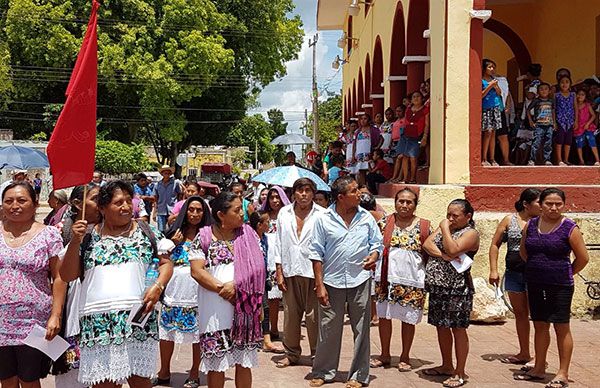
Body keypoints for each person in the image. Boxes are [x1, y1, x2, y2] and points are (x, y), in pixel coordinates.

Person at [60, 180, 174, 387]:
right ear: (103, 208)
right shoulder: (87, 237)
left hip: (137, 320)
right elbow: (67, 275)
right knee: (104, 383)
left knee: (140, 380)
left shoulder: (145, 231)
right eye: (118, 202)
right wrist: (74, 242)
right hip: (97, 323)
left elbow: (166, 264)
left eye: (129, 201)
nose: (126, 207)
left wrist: (158, 286)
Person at [308, 176, 383, 388]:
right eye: (354, 191)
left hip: (360, 280)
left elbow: (376, 244)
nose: (359, 193)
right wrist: (319, 284)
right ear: (341, 197)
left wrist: (374, 256)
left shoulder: (366, 218)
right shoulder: (323, 219)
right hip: (331, 282)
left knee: (362, 329)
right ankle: (323, 371)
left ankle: (359, 375)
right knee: (329, 328)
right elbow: (316, 253)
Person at [190, 192, 265, 388]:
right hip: (214, 311)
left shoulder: (249, 235)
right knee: (216, 365)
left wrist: (238, 287)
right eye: (237, 210)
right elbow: (197, 271)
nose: (243, 213)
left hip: (244, 311)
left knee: (243, 363)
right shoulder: (204, 236)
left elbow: (258, 268)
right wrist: (224, 289)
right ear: (221, 214)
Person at [515, 188, 589, 388]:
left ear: (563, 205)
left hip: (561, 285)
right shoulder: (530, 225)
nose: (553, 208)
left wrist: (565, 272)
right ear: (541, 204)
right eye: (549, 203)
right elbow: (524, 251)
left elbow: (583, 258)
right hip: (535, 282)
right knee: (539, 324)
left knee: (561, 327)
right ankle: (539, 368)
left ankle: (563, 373)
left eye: (558, 204)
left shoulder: (569, 228)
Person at [0, 182, 66, 388]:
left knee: (29, 379)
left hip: (33, 321)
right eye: (8, 201)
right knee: (6, 379)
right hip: (1, 321)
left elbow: (59, 277)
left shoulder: (49, 235)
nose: (14, 205)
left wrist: (56, 314)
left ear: (35, 204)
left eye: (22, 200)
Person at [371, 188, 431, 372]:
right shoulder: (383, 222)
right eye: (401, 201)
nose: (404, 205)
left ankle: (405, 356)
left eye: (409, 202)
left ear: (415, 205)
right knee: (384, 317)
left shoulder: (424, 226)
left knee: (408, 319)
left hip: (412, 280)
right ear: (395, 202)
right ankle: (385, 354)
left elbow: (430, 250)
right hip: (385, 279)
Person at [422, 199, 480, 388]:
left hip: (457, 288)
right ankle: (446, 365)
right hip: (439, 286)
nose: (450, 219)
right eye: (448, 214)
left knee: (458, 328)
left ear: (468, 216)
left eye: (455, 216)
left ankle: (460, 371)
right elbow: (427, 244)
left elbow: (453, 248)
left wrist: (444, 229)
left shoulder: (470, 233)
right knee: (441, 326)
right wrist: (443, 256)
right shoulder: (447, 227)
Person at [156, 197, 213, 388]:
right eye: (191, 210)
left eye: (199, 210)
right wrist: (172, 242)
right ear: (185, 212)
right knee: (167, 335)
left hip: (197, 294)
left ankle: (195, 372)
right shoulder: (174, 233)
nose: (195, 214)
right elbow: (161, 259)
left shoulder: (208, 236)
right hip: (173, 293)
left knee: (197, 336)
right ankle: (164, 371)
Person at [51, 184, 101, 388]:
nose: (101, 203)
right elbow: (61, 277)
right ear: (77, 204)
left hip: (102, 312)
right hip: (75, 307)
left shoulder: (116, 230)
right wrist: (56, 313)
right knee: (72, 375)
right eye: (96, 198)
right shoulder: (64, 230)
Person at [272, 178, 325, 368]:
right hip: (290, 268)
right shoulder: (284, 213)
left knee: (314, 316)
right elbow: (278, 243)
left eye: (307, 190)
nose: (303, 194)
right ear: (293, 193)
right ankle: (291, 353)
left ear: (313, 193)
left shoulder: (323, 215)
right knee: (290, 315)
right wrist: (279, 271)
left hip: (313, 271)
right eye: (300, 190)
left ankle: (317, 355)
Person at [488, 188, 541, 366]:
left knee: (539, 315)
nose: (542, 206)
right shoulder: (509, 220)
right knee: (520, 314)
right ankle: (524, 352)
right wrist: (494, 270)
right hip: (514, 272)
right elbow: (495, 244)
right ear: (526, 204)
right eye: (538, 202)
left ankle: (541, 357)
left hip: (536, 274)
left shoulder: (543, 221)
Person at [249, 211, 285, 354]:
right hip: (251, 279)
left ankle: (266, 340)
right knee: (255, 309)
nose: (269, 224)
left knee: (265, 308)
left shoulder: (264, 238)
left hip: (262, 278)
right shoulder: (249, 239)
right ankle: (256, 338)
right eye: (267, 222)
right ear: (259, 225)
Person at [260, 186, 291, 340]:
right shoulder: (264, 216)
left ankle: (276, 328)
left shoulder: (288, 216)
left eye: (277, 197)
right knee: (267, 298)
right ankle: (267, 328)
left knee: (279, 299)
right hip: (266, 259)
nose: (274, 200)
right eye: (271, 197)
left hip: (283, 259)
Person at [399, 91, 429, 183]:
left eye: (418, 96)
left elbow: (427, 124)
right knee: (404, 156)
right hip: (406, 135)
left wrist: (424, 137)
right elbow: (405, 122)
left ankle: (413, 178)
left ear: (422, 98)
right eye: (414, 97)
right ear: (411, 100)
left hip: (417, 135)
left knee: (413, 157)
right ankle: (405, 178)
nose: (416, 98)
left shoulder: (425, 109)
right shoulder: (408, 109)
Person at [481, 59, 503, 166]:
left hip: (495, 107)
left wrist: (495, 86)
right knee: (487, 132)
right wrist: (490, 86)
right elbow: (481, 95)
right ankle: (484, 158)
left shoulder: (494, 79)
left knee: (493, 133)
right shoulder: (481, 80)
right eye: (490, 67)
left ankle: (492, 158)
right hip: (486, 108)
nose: (492, 69)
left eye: (493, 67)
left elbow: (499, 93)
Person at [528, 83, 555, 166]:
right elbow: (528, 110)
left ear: (549, 91)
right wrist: (531, 121)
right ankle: (532, 159)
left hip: (549, 124)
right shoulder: (536, 101)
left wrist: (554, 123)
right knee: (536, 142)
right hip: (539, 125)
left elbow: (553, 111)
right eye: (541, 89)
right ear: (538, 92)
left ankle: (547, 159)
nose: (544, 91)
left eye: (546, 89)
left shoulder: (551, 101)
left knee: (548, 143)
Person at [554, 76, 577, 165]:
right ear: (559, 84)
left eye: (567, 82)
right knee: (559, 140)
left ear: (570, 84)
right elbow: (554, 108)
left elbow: (575, 108)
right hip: (560, 120)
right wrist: (555, 122)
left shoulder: (573, 95)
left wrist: (576, 121)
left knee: (568, 140)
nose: (564, 84)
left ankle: (566, 159)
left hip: (570, 121)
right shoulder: (557, 95)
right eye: (562, 82)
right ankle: (559, 159)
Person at [153, 165, 183, 232]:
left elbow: (180, 195)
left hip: (173, 210)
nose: (167, 174)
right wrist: (154, 212)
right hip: (161, 210)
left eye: (168, 173)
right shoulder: (157, 185)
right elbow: (156, 199)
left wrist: (179, 207)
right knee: (161, 230)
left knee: (173, 229)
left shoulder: (175, 183)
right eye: (165, 173)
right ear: (162, 174)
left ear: (170, 174)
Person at [574, 89, 599, 165]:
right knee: (579, 144)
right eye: (579, 94)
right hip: (578, 127)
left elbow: (593, 115)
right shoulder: (574, 106)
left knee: (592, 141)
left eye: (583, 95)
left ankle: (597, 160)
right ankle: (581, 161)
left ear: (585, 96)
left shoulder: (587, 105)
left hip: (587, 126)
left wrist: (588, 123)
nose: (580, 96)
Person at [353, 114, 377, 185]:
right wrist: (353, 154)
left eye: (365, 119)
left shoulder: (372, 129)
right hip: (359, 153)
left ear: (369, 120)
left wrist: (376, 147)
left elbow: (381, 138)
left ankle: (370, 186)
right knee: (361, 170)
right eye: (361, 119)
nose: (363, 121)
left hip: (369, 152)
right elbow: (354, 143)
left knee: (370, 169)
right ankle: (364, 187)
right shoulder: (357, 131)